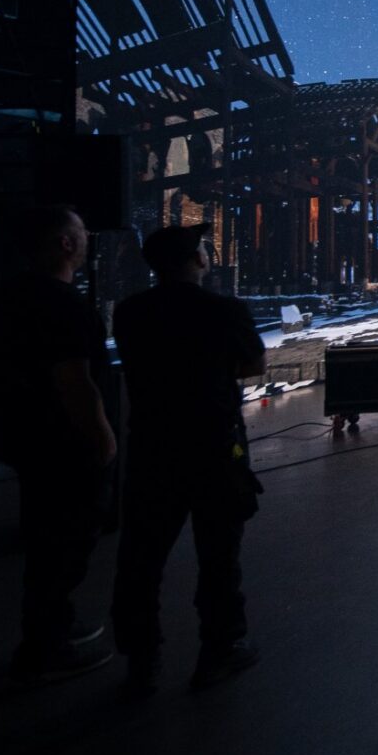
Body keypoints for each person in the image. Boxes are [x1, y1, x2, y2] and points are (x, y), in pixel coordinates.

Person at [110, 224, 269, 694]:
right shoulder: (224, 311)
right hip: (215, 445)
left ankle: (141, 658)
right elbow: (254, 365)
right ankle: (219, 650)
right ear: (198, 260)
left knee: (141, 556)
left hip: (153, 446)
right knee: (219, 554)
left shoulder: (129, 312)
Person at [0, 204, 116, 683]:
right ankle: (46, 647)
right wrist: (102, 436)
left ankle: (51, 625)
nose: (86, 239)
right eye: (80, 232)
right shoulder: (64, 306)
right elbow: (74, 380)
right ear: (65, 243)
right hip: (65, 444)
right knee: (66, 543)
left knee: (44, 539)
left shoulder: (11, 296)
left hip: (26, 436)